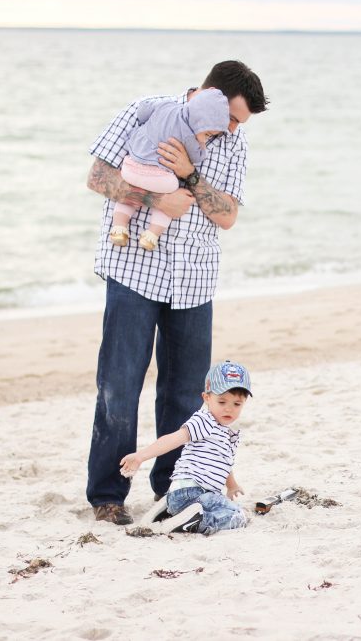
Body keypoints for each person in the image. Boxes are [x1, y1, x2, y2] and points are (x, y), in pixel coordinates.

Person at [85, 61, 268, 525]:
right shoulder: (146, 112)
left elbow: (226, 215)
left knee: (186, 393)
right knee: (118, 386)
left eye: (238, 123)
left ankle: (172, 487)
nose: (230, 128)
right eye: (230, 117)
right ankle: (108, 495)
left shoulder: (234, 142)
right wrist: (153, 200)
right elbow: (99, 179)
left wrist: (189, 175)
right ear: (209, 95)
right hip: (134, 268)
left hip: (196, 276)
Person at [120, 361, 252, 534]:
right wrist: (141, 456)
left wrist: (232, 485)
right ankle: (189, 522)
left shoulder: (224, 432)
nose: (229, 409)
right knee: (238, 515)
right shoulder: (205, 421)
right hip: (193, 493)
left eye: (237, 404)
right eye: (222, 401)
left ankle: (164, 511)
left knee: (224, 506)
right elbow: (173, 439)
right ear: (206, 398)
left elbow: (223, 462)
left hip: (184, 495)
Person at [111, 88, 230, 251]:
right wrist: (201, 145)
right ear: (199, 121)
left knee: (132, 193)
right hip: (159, 179)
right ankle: (152, 234)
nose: (206, 138)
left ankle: (119, 228)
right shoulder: (189, 136)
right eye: (208, 134)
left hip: (130, 166)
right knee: (174, 191)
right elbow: (197, 157)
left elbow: (143, 110)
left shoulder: (166, 105)